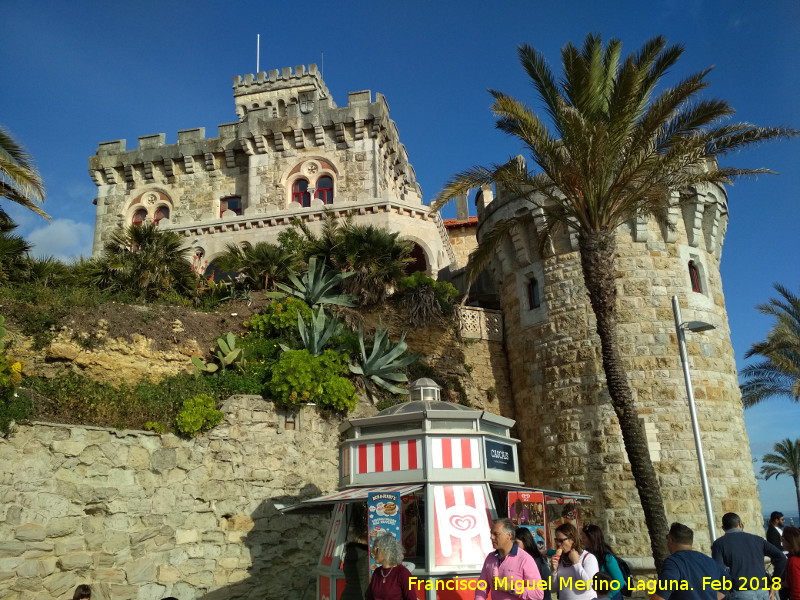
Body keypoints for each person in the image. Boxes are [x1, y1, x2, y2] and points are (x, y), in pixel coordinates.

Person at [711, 512, 786, 600]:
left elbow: (719, 570)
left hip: (740, 592)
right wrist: (774, 583)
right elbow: (781, 557)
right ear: (740, 524)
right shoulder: (758, 540)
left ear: (723, 528)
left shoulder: (719, 544)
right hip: (763, 591)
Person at [651, 522, 727, 600]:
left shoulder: (674, 562)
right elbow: (727, 582)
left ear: (670, 541)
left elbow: (660, 596)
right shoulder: (709, 561)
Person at [475, 518, 544, 600]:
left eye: (496, 534)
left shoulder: (525, 559)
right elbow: (482, 586)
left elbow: (538, 593)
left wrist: (511, 588)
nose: (491, 537)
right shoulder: (490, 558)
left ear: (509, 535)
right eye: (491, 534)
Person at [550, 522, 599, 600]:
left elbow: (588, 586)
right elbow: (552, 589)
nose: (558, 544)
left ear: (572, 539)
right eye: (556, 540)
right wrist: (553, 571)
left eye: (561, 540)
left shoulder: (588, 558)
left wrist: (576, 563)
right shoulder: (561, 560)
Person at [365, 531, 415, 600]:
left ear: (386, 550)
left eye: (376, 549)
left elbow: (411, 598)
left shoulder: (404, 574)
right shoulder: (377, 572)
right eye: (373, 549)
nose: (373, 552)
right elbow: (369, 597)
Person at [582, 524, 626, 600]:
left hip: (611, 596)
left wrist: (607, 596)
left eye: (584, 537)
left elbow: (619, 581)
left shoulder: (607, 557)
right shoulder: (585, 554)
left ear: (591, 539)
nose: (581, 540)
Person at [516, 526, 552, 600]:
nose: (514, 547)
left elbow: (547, 581)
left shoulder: (537, 559)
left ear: (525, 542)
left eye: (517, 543)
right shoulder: (516, 559)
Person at [782, 527, 800, 600]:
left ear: (789, 541)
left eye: (782, 539)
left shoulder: (793, 561)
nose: (781, 542)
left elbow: (797, 590)